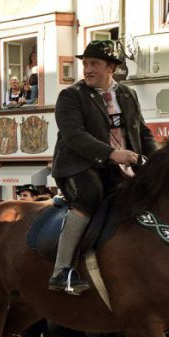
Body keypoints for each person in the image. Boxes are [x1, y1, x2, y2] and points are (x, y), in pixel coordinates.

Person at [48, 40, 157, 294]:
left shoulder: (127, 95)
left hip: (118, 165)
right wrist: (112, 154)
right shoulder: (71, 96)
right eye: (85, 64)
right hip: (77, 166)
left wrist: (158, 160)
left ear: (110, 67)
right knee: (90, 195)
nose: (87, 69)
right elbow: (74, 136)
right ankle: (61, 270)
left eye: (93, 64)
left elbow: (142, 133)